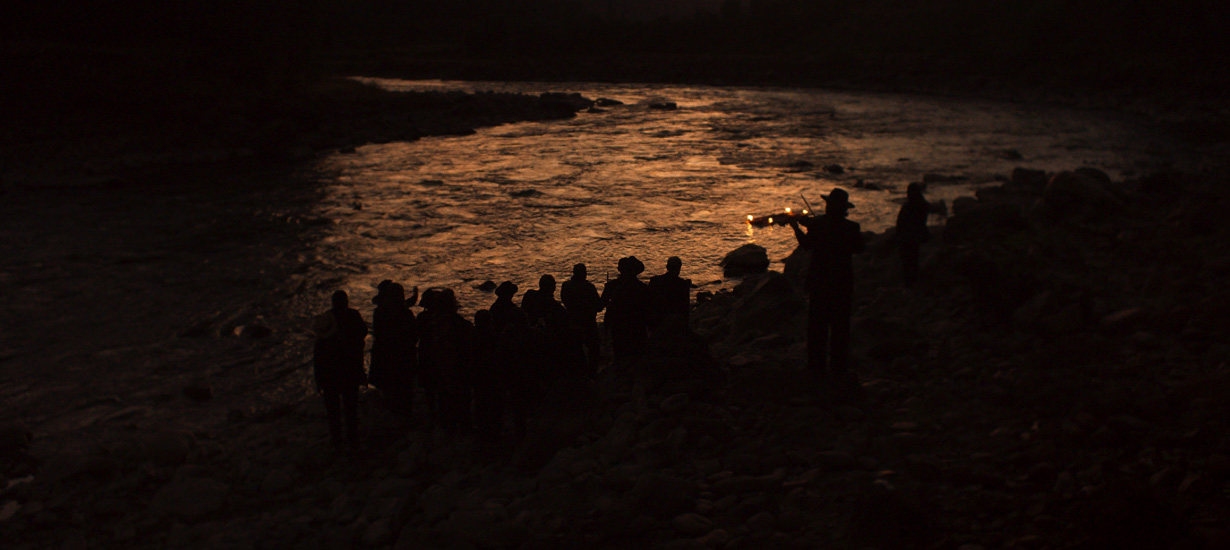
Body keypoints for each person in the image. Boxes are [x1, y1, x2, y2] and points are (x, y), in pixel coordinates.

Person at [789, 188, 865, 377]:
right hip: (843, 283)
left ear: (829, 205)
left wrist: (796, 228)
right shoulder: (852, 227)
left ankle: (816, 368)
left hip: (820, 283)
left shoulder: (819, 224)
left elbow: (807, 245)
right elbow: (860, 248)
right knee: (841, 328)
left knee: (817, 328)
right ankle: (839, 369)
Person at [312, 290, 368, 448]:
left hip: (330, 377)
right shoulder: (353, 316)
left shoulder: (325, 324)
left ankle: (336, 439)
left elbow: (318, 359)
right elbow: (362, 334)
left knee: (333, 411)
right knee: (351, 407)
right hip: (350, 372)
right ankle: (353, 438)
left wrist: (318, 380)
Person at [418, 288, 473, 431]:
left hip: (437, 361)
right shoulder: (456, 323)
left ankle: (446, 423)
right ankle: (460, 424)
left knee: (443, 394)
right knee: (457, 396)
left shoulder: (433, 322)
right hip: (453, 364)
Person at [368, 282, 417, 416]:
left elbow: (378, 333)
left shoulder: (379, 312)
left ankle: (392, 409)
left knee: (388, 384)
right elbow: (413, 335)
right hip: (404, 355)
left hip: (385, 353)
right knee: (404, 385)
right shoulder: (406, 313)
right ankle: (405, 412)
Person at [601, 256, 651, 359]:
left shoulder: (612, 286)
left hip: (619, 326)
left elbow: (601, 304)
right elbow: (649, 308)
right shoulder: (642, 288)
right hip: (637, 326)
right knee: (637, 356)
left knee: (620, 355)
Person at [560, 263, 603, 372]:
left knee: (575, 349)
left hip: (572, 320)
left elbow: (564, 301)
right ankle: (592, 372)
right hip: (588, 321)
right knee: (593, 348)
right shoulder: (589, 287)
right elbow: (598, 306)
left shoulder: (566, 286)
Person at [895, 182, 931, 287]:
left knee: (907, 261)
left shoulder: (907, 207)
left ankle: (909, 283)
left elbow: (900, 223)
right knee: (914, 259)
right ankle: (915, 281)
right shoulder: (923, 205)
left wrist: (898, 236)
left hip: (906, 237)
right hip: (918, 235)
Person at [647, 256, 692, 332]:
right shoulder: (682, 285)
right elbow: (685, 308)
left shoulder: (655, 281)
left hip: (658, 321)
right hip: (675, 323)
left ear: (667, 267)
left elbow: (649, 302)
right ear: (679, 268)